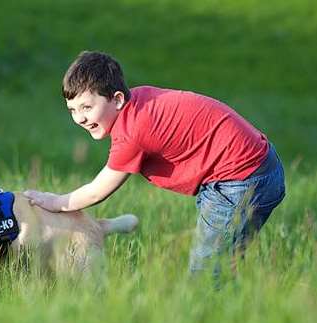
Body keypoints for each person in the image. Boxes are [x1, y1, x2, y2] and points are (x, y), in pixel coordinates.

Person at [23, 50, 285, 276]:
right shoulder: (137, 103)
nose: (79, 118)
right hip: (245, 171)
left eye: (87, 107)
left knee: (208, 272)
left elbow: (97, 191)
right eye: (72, 110)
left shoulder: (133, 130)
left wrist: (55, 202)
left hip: (242, 179)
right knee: (215, 264)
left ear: (117, 99)